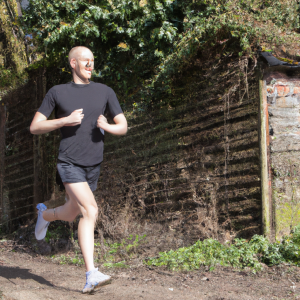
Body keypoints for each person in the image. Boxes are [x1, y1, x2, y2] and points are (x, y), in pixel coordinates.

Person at [30, 46, 128, 293]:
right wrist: (65, 120)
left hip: (93, 164)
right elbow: (35, 126)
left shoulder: (105, 91)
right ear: (73, 63)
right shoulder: (57, 92)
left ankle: (45, 215)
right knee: (90, 209)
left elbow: (123, 126)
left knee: (73, 211)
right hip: (69, 162)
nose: (90, 64)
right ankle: (91, 274)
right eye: (86, 60)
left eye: (93, 60)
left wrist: (108, 125)